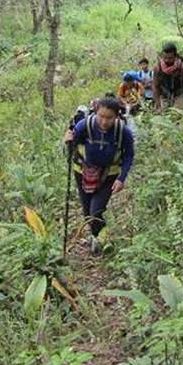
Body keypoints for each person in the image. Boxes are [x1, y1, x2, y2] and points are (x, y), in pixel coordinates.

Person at [63, 96, 134, 254]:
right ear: (95, 113)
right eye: (101, 116)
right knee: (87, 212)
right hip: (82, 172)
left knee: (96, 211)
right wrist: (68, 140)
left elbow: (129, 154)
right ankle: (97, 237)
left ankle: (103, 241)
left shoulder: (123, 132)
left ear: (116, 116)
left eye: (109, 118)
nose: (103, 122)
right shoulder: (85, 126)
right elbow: (71, 145)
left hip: (109, 175)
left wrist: (121, 179)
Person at [153, 42, 183, 111]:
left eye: (170, 58)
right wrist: (158, 104)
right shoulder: (158, 68)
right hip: (164, 93)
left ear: (175, 56)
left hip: (180, 93)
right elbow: (155, 86)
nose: (167, 60)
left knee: (178, 115)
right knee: (163, 114)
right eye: (165, 58)